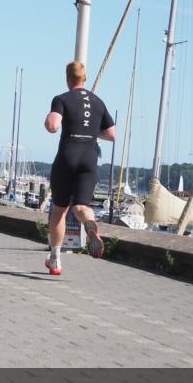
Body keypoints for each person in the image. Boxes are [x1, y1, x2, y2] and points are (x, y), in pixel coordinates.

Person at [43, 61, 115, 275]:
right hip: (89, 157)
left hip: (68, 154)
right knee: (81, 207)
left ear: (68, 78)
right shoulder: (98, 102)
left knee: (59, 210)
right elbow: (112, 134)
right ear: (85, 78)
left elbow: (53, 125)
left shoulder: (61, 99)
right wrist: (91, 131)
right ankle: (90, 224)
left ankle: (55, 260)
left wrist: (49, 121)